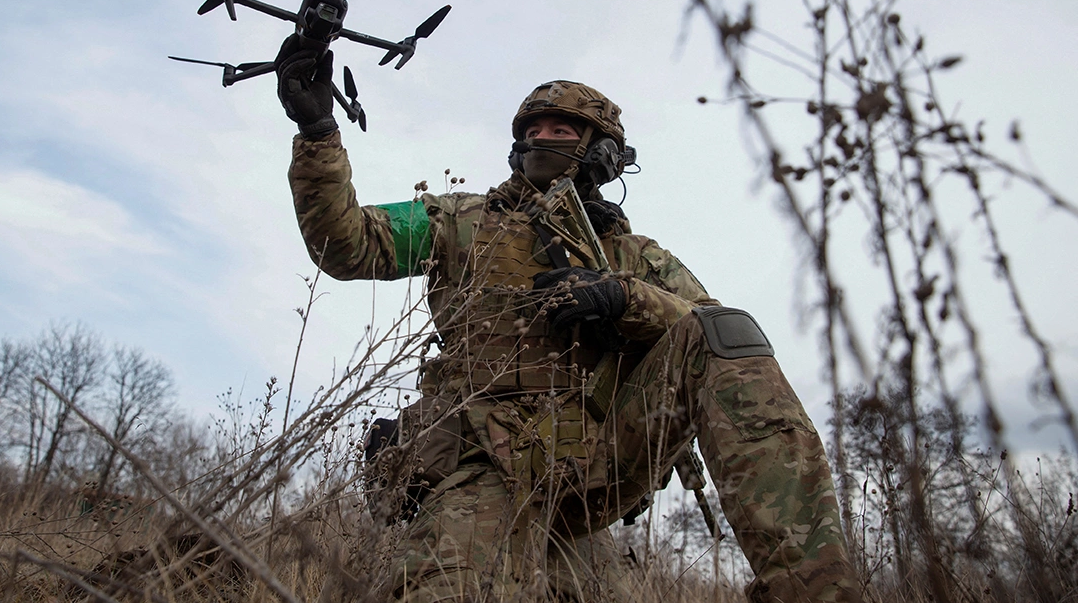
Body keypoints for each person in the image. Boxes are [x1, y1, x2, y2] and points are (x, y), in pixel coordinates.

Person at [276, 35, 862, 603]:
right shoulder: (458, 219)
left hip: (603, 457)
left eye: (562, 130)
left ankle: (814, 590)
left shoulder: (639, 258)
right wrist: (318, 132)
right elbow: (345, 243)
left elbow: (709, 329)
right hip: (488, 455)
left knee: (728, 332)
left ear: (602, 150)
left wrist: (625, 298)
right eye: (533, 132)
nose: (543, 139)